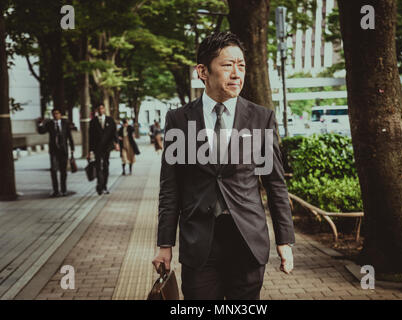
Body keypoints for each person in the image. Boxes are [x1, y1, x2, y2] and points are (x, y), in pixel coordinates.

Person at [152, 32, 295, 300]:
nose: (236, 73)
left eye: (241, 65)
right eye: (227, 65)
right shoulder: (179, 120)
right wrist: (165, 245)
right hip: (199, 243)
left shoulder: (260, 119)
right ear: (202, 71)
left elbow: (274, 183)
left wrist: (284, 241)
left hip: (248, 241)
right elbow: (169, 187)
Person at [37, 108, 75, 197]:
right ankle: (55, 190)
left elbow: (69, 136)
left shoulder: (65, 123)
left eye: (57, 113)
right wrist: (40, 124)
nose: (55, 115)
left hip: (63, 151)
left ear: (60, 115)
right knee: (53, 170)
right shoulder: (50, 124)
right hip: (54, 151)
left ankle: (64, 190)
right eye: (54, 114)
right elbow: (42, 131)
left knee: (63, 171)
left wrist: (72, 148)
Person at [88, 104, 119, 195]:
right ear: (97, 110)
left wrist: (116, 143)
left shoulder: (110, 120)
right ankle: (99, 185)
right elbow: (90, 137)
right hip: (96, 148)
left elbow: (114, 133)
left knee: (105, 166)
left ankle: (104, 186)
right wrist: (89, 151)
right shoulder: (93, 121)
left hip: (107, 147)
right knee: (98, 167)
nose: (101, 110)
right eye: (99, 108)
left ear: (104, 109)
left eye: (102, 108)